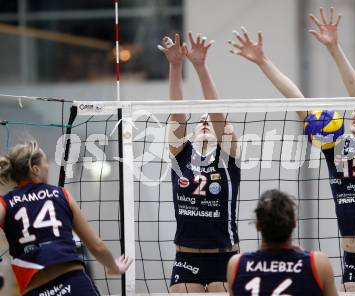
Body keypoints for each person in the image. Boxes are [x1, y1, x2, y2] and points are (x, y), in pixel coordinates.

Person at [228, 7, 355, 292]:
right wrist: (263, 61)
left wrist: (334, 48)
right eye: (354, 110)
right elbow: (296, 100)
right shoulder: (334, 145)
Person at [159, 32, 240, 293]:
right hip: (186, 258)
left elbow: (217, 113)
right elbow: (178, 114)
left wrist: (200, 66)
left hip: (224, 257)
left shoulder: (228, 157)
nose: (205, 122)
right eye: (200, 121)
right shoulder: (180, 153)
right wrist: (175, 66)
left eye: (209, 121)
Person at [0, 142, 132, 295]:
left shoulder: (5, 203)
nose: (48, 166)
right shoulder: (61, 194)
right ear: (35, 169)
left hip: (36, 291)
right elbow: (97, 246)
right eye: (45, 161)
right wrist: (113, 267)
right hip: (74, 284)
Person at [227, 189, 338, 296]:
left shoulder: (236, 264)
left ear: (258, 226)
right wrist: (303, 256)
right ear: (294, 223)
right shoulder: (318, 263)